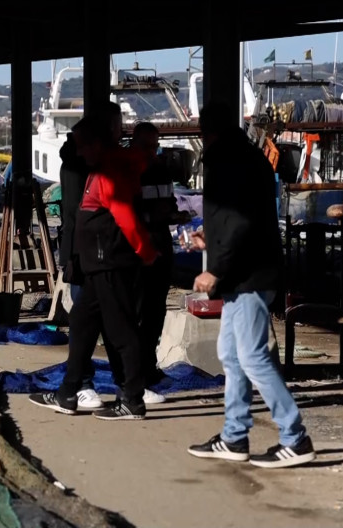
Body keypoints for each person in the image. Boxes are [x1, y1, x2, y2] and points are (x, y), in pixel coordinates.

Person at [186, 102, 315, 468]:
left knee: (253, 357)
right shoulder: (245, 156)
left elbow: (242, 224)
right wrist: (209, 238)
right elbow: (236, 221)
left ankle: (296, 438)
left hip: (248, 276)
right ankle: (234, 435)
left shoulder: (229, 163)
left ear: (204, 132)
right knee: (231, 355)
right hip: (246, 274)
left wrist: (216, 270)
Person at [29, 116, 158, 421]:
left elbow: (125, 216)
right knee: (81, 322)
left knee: (121, 331)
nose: (78, 151)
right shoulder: (103, 167)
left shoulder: (109, 171)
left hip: (108, 263)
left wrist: (146, 252)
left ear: (96, 145)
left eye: (81, 145)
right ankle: (69, 391)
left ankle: (132, 399)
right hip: (98, 265)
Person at [130, 122, 192, 402]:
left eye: (155, 146)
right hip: (138, 249)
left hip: (161, 247)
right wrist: (159, 218)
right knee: (139, 311)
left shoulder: (161, 170)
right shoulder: (129, 171)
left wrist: (174, 215)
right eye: (147, 146)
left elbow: (167, 204)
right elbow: (130, 212)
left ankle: (149, 366)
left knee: (157, 311)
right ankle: (137, 371)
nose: (152, 151)